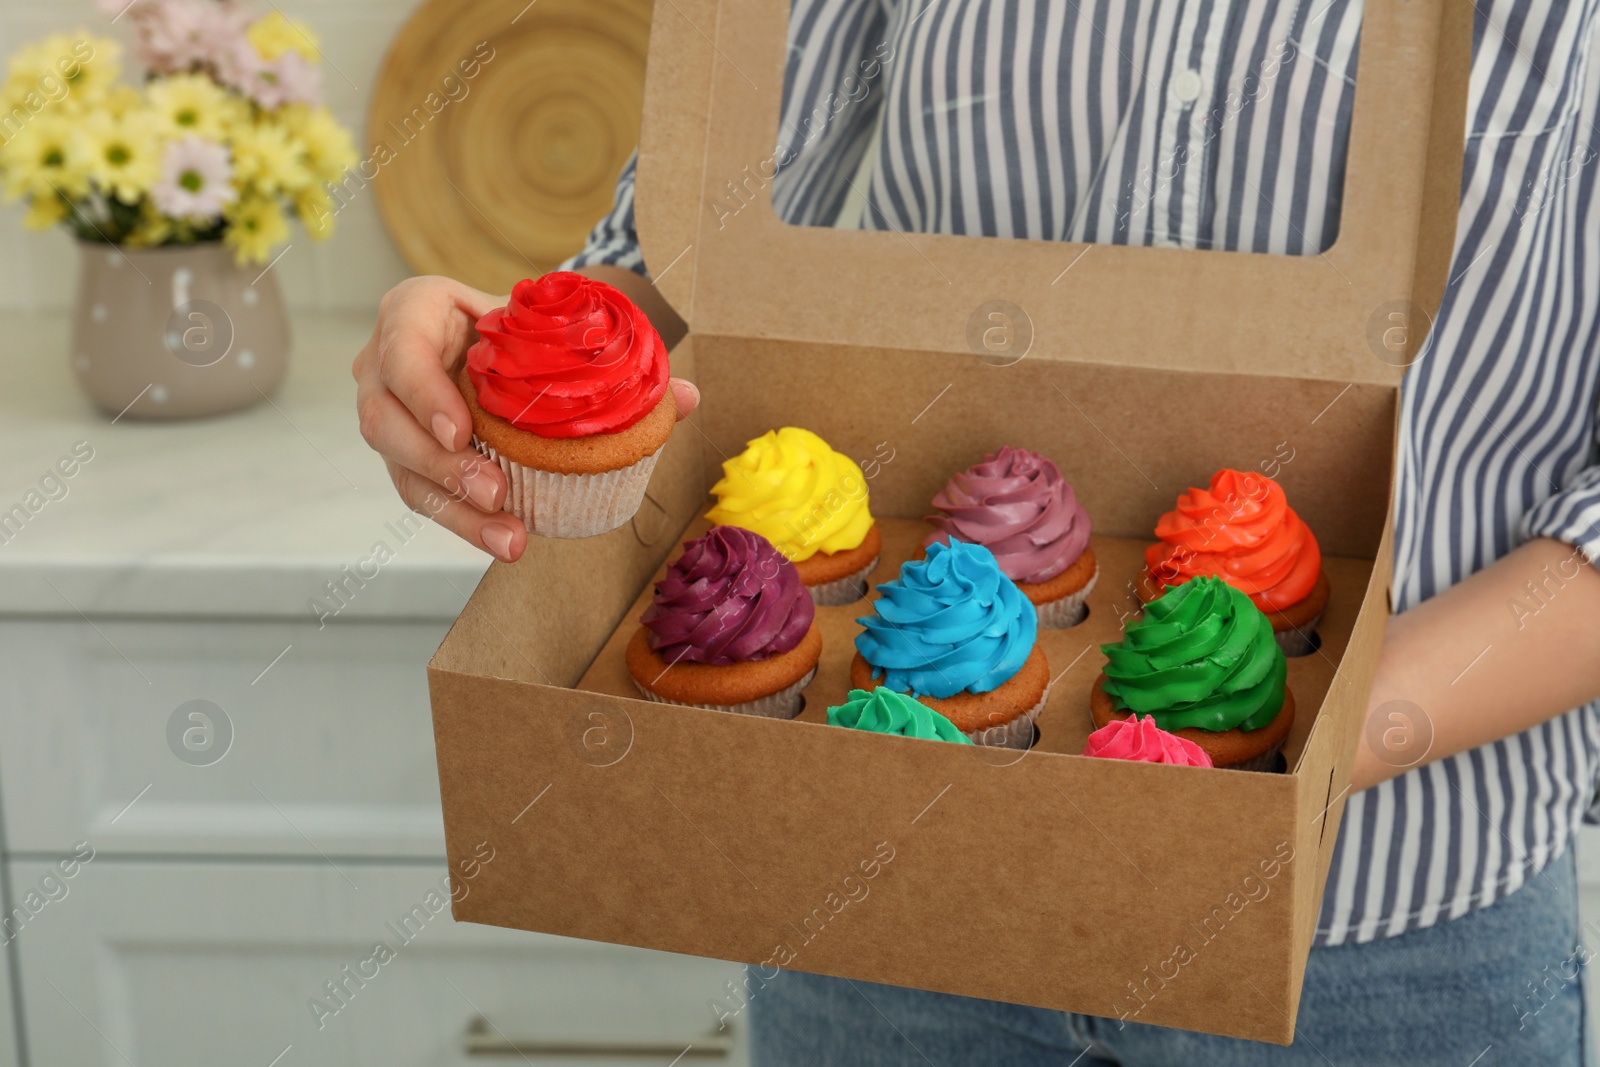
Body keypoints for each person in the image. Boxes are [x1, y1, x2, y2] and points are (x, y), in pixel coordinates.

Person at [353, 0, 1600, 1061]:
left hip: (1393, 923)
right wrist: (514, 363)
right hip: (882, 900)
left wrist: (1296, 753)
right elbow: (689, 249)